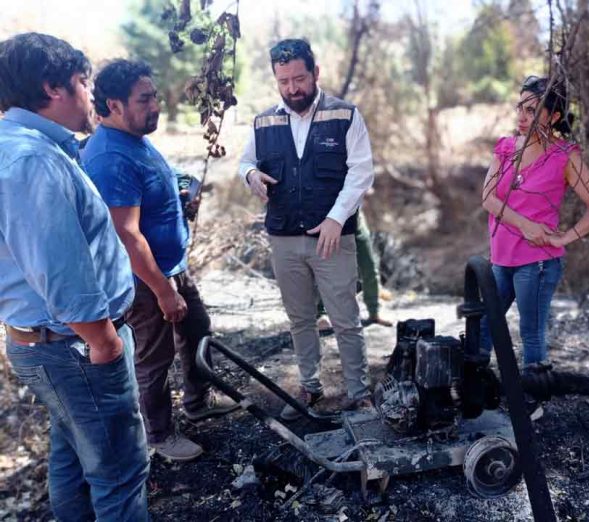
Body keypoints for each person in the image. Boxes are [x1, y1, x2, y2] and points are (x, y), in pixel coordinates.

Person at [0, 33, 149, 520]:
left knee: (74, 453)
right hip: (75, 345)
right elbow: (60, 270)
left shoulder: (23, 148)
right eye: (83, 83)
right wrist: (103, 342)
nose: (91, 96)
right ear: (52, 88)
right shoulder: (33, 160)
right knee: (119, 473)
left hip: (52, 343)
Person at [82, 59, 237, 462]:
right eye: (145, 99)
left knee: (197, 328)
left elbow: (158, 181)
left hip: (171, 266)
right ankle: (160, 435)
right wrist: (164, 292)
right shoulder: (109, 157)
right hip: (143, 279)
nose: (156, 106)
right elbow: (127, 236)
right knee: (155, 356)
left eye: (154, 96)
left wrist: (183, 189)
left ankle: (197, 401)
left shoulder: (135, 139)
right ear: (114, 105)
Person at [239, 38, 373, 421]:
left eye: (299, 78)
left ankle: (359, 392)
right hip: (283, 237)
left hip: (333, 239)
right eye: (284, 81)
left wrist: (336, 218)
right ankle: (310, 387)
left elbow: (362, 171)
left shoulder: (345, 115)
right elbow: (245, 161)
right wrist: (250, 174)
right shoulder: (264, 121)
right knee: (300, 319)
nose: (293, 88)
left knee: (345, 318)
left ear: (315, 73)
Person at [480, 75, 589, 418]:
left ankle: (532, 402)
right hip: (501, 258)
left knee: (531, 332)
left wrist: (565, 237)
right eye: (520, 107)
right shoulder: (507, 147)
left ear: (553, 116)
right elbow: (488, 199)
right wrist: (525, 224)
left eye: (532, 109)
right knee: (484, 325)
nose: (522, 116)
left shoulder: (564, 156)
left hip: (537, 263)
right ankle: (474, 387)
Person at [316, 211, 393, 330]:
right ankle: (322, 313)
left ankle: (374, 312)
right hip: (330, 223)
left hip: (355, 223)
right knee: (325, 269)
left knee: (369, 267)